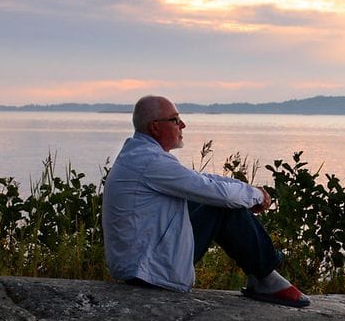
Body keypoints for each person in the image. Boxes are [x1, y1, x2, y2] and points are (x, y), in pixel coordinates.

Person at [102, 95, 310, 307]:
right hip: (148, 270)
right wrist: (256, 196)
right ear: (155, 128)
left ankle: (262, 275)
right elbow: (218, 194)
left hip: (140, 264)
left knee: (212, 200)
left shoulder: (140, 154)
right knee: (222, 207)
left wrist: (249, 192)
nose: (182, 125)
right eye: (175, 120)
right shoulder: (150, 161)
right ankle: (265, 276)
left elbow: (203, 181)